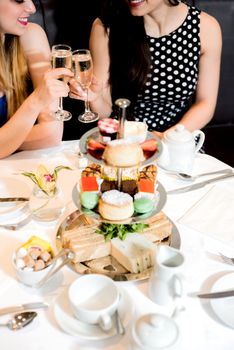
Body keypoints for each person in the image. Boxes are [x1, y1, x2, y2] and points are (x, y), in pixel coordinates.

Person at [69, 0, 222, 139]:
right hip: (123, 139)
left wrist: (167, 137)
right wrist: (95, 98)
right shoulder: (106, 27)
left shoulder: (206, 28)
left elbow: (206, 103)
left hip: (178, 138)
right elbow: (105, 112)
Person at [0, 0, 73, 159]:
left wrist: (5, 142)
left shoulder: (30, 34)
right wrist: (36, 101)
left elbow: (51, 133)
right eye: (19, 0)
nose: (32, 8)